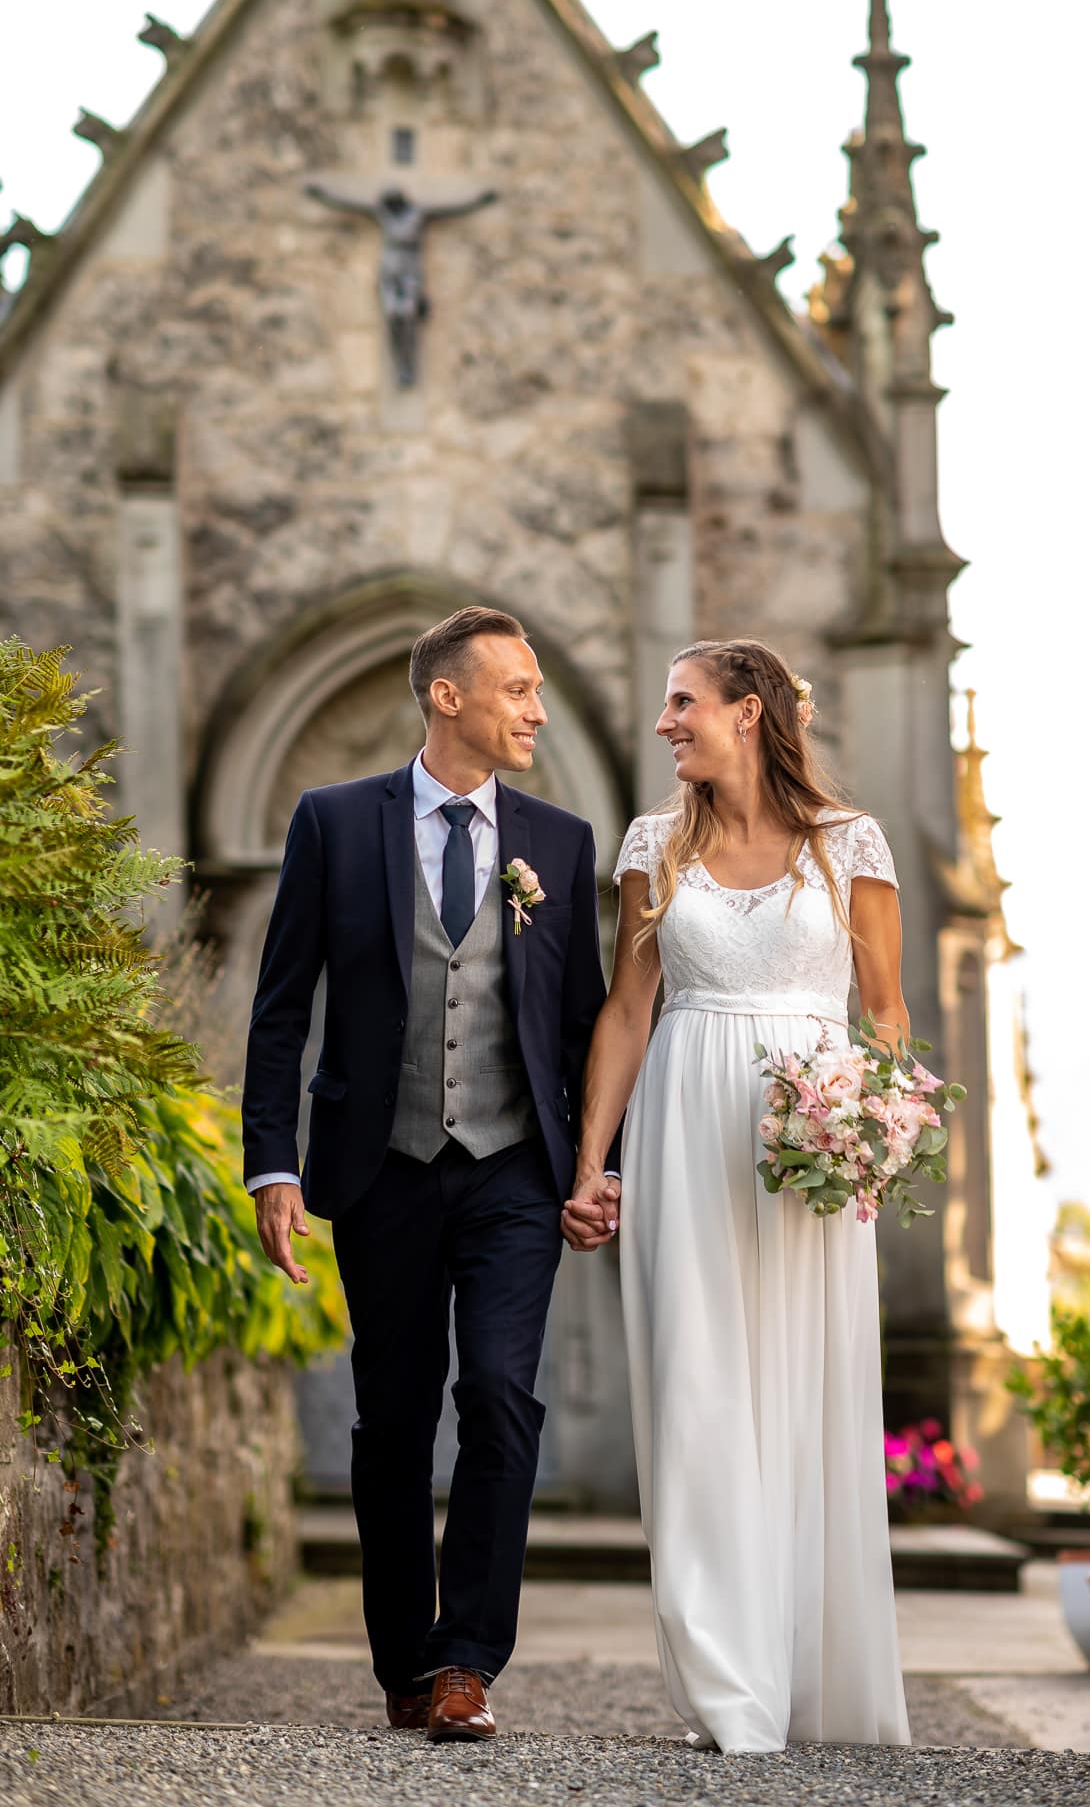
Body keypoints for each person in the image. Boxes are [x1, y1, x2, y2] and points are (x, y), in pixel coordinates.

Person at [242, 605, 619, 1743]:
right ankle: (405, 1658)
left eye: (540, 689)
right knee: (393, 1420)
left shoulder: (556, 840)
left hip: (513, 1169)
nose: (537, 710)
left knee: (500, 1395)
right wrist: (273, 1163)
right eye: (516, 688)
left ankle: (467, 1661)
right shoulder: (333, 822)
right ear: (445, 695)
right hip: (381, 1166)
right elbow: (278, 1009)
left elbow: (582, 1019)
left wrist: (599, 1164)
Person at [562, 638, 911, 1752]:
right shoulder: (653, 845)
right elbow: (626, 1009)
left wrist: (871, 1123)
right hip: (684, 1125)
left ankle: (809, 1669)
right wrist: (590, 1164)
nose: (664, 722)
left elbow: (885, 1007)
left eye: (681, 701)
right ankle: (727, 1679)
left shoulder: (846, 843)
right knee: (699, 1385)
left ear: (746, 712)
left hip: (811, 1139)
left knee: (803, 1388)